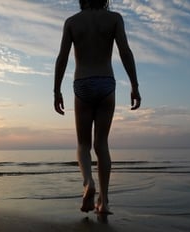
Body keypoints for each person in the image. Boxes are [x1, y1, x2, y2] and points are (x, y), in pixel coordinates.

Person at [53, 0, 141, 215]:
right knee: (101, 144)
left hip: (82, 83)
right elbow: (125, 52)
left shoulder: (72, 22)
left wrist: (56, 91)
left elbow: (62, 57)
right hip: (106, 83)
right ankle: (104, 202)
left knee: (83, 144)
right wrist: (134, 85)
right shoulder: (114, 19)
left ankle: (87, 183)